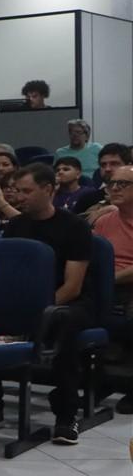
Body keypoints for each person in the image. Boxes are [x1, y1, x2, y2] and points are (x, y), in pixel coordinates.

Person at [1, 164, 94, 445]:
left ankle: (67, 415)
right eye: (17, 191)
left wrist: (40, 312)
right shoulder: (16, 226)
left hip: (67, 302)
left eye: (27, 191)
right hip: (25, 302)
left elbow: (72, 286)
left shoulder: (75, 227)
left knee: (63, 324)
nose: (20, 197)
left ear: (48, 190)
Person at [93, 165, 133, 415]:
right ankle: (100, 381)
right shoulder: (105, 220)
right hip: (105, 284)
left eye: (123, 184)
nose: (115, 188)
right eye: (112, 183)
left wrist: (110, 279)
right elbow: (92, 256)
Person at [78, 143, 133, 222]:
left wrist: (115, 210)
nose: (107, 169)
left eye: (114, 164)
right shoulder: (88, 199)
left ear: (129, 166)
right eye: (103, 165)